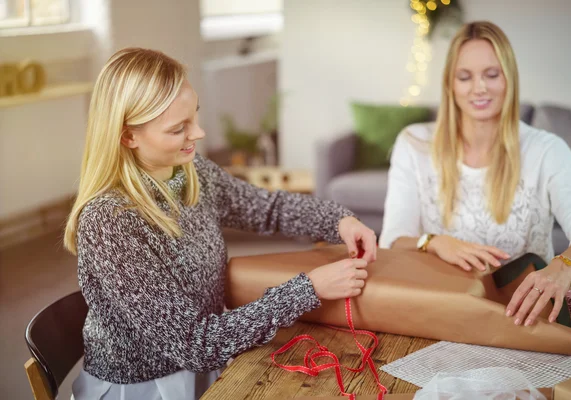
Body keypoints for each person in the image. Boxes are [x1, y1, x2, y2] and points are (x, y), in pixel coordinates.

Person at [64, 47, 377, 400]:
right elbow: (194, 344)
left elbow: (268, 208)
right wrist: (308, 289)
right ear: (127, 136)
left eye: (194, 116)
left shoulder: (192, 173)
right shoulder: (110, 222)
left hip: (206, 368)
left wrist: (338, 221)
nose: (198, 133)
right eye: (178, 129)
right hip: (145, 388)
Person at [379, 21, 571, 328]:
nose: (479, 87)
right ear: (450, 85)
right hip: (438, 313)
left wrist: (562, 268)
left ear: (509, 79)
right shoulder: (414, 144)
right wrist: (434, 242)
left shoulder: (547, 150)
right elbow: (391, 240)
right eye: (465, 77)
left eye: (491, 75)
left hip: (522, 319)